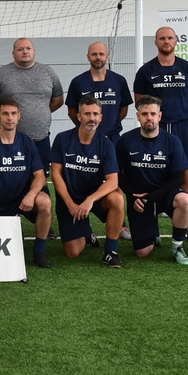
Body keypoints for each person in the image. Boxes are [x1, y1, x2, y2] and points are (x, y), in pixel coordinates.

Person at [132, 26, 188, 237]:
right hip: (157, 129)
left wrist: (180, 113)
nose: (166, 41)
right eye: (162, 38)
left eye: (170, 38)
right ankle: (151, 227)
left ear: (175, 41)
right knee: (152, 175)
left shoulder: (187, 68)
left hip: (182, 127)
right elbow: (139, 101)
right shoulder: (146, 71)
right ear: (156, 42)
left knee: (186, 176)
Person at [0, 99, 53, 268]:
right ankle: (3, 227)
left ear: (19, 116)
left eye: (13, 114)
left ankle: (39, 252)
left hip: (23, 200)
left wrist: (31, 195)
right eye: (5, 114)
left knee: (45, 202)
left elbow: (40, 176)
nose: (10, 118)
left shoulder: (27, 142)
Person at [116, 96, 188, 266]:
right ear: (138, 116)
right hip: (139, 199)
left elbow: (179, 177)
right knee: (143, 253)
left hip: (164, 194)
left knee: (184, 200)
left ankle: (177, 246)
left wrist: (154, 196)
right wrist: (131, 195)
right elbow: (116, 173)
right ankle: (152, 234)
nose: (148, 117)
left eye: (153, 113)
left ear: (160, 116)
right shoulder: (125, 141)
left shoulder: (172, 141)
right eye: (144, 114)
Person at [50, 96, 126, 267]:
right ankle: (86, 231)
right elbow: (55, 174)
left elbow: (113, 181)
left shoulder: (106, 145)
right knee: (73, 253)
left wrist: (90, 200)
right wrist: (69, 203)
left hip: (94, 198)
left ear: (101, 117)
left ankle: (110, 251)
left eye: (95, 114)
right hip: (70, 199)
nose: (91, 118)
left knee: (117, 198)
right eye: (87, 114)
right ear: (78, 116)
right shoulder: (62, 139)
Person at [0, 37, 64, 173]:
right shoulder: (0, 74)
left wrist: (41, 112)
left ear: (34, 51)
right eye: (20, 49)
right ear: (13, 53)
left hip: (41, 138)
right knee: (13, 180)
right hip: (11, 140)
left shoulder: (48, 72)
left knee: (40, 180)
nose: (24, 52)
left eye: (28, 48)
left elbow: (58, 100)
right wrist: (7, 116)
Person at [66, 42, 132, 145]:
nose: (98, 57)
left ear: (107, 56)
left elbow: (124, 109)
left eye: (101, 54)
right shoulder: (77, 82)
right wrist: (87, 126)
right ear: (88, 57)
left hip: (113, 139)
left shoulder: (119, 81)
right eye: (94, 54)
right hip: (86, 138)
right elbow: (72, 112)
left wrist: (111, 123)